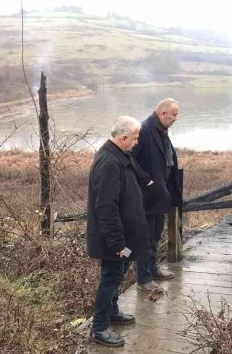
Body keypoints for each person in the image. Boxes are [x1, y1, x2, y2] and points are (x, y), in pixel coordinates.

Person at [87, 116, 148, 348]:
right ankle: (99, 328)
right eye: (134, 138)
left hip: (123, 236)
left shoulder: (118, 155)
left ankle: (111, 312)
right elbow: (105, 208)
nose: (136, 142)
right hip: (113, 240)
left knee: (117, 275)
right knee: (110, 279)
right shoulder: (109, 162)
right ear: (123, 138)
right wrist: (118, 244)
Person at [132, 98, 182, 293]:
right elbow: (130, 157)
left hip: (160, 194)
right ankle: (143, 279)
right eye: (174, 115)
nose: (176, 118)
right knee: (145, 238)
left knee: (155, 235)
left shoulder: (161, 130)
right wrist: (145, 179)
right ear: (163, 114)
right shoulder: (144, 130)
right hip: (147, 195)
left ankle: (152, 269)